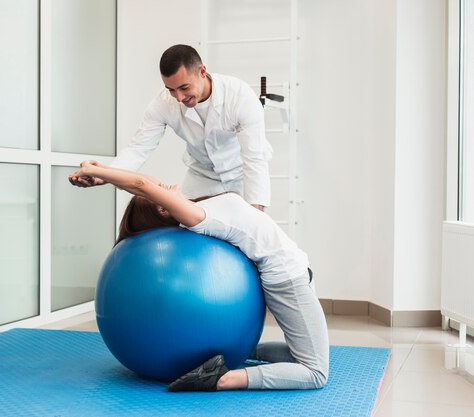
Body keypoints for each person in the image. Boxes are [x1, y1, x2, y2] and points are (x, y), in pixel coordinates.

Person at [68, 161, 329, 392]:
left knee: (303, 357)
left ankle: (234, 354)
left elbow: (141, 184)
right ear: (162, 209)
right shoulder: (196, 217)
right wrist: (99, 172)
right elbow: (141, 184)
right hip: (288, 280)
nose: (163, 184)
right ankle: (224, 379)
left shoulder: (200, 207)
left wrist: (106, 172)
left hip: (291, 275)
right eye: (158, 189)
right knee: (315, 372)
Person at [70, 44, 273, 211]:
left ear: (202, 71)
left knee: (250, 238)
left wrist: (256, 213)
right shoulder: (164, 103)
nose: (179, 97)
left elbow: (254, 159)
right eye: (171, 89)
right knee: (184, 228)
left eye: (184, 88)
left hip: (241, 176)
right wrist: (102, 176)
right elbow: (137, 150)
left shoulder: (239, 96)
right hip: (201, 175)